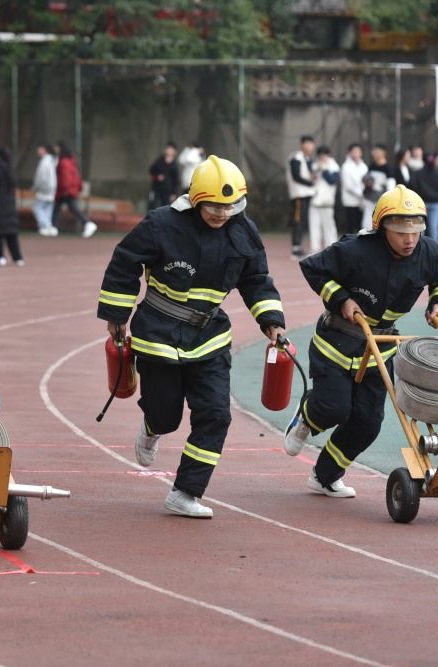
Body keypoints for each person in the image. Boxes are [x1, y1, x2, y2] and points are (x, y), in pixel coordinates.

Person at [97, 156, 286, 518]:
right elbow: (124, 261)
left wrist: (272, 320)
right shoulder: (162, 224)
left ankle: (186, 492)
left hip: (210, 337)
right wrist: (116, 315)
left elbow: (256, 280)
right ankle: (152, 426)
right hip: (159, 333)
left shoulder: (244, 231)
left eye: (229, 206)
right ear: (196, 199)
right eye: (214, 205)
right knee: (166, 415)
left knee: (216, 414)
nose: (221, 213)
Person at [283, 185, 438, 498]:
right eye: (400, 230)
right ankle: (305, 416)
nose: (409, 239)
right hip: (336, 341)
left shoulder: (428, 251)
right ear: (382, 228)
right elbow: (313, 269)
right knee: (334, 408)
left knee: (368, 422)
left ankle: (325, 476)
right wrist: (341, 300)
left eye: (415, 230)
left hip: (380, 344)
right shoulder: (356, 249)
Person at [52, 141, 97, 238]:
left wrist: (65, 189)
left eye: (56, 147)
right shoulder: (68, 160)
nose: (55, 149)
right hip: (65, 190)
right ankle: (53, 228)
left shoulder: (64, 162)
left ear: (60, 148)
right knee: (57, 208)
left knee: (72, 208)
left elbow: (66, 177)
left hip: (66, 191)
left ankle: (88, 223)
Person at [286, 135, 316, 257]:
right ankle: (296, 248)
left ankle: (299, 246)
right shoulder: (296, 157)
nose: (310, 146)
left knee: (302, 221)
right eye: (307, 143)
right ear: (302, 144)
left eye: (311, 144)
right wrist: (311, 183)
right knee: (298, 221)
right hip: (298, 194)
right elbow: (296, 176)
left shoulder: (307, 159)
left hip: (306, 194)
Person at [412, 152, 438, 247]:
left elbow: (414, 187)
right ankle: (433, 248)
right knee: (433, 228)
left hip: (421, 203)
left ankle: (419, 247)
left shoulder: (418, 174)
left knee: (420, 228)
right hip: (434, 204)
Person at [309, 145, 340, 253]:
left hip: (327, 202)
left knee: (329, 227)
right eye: (320, 155)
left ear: (328, 155)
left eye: (324, 155)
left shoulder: (333, 165)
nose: (322, 157)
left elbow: (332, 181)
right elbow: (311, 181)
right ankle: (314, 249)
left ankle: (332, 248)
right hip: (314, 201)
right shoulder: (314, 165)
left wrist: (324, 169)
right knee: (314, 227)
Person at [340, 143, 368, 235]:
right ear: (350, 153)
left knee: (361, 226)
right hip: (350, 201)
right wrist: (361, 193)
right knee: (350, 227)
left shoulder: (364, 166)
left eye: (358, 152)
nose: (356, 154)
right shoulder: (346, 167)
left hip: (362, 201)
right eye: (354, 151)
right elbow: (348, 186)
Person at [362, 144, 393, 227]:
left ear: (383, 153)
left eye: (376, 152)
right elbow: (366, 180)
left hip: (381, 201)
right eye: (373, 152)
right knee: (366, 222)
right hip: (369, 199)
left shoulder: (388, 169)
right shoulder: (371, 166)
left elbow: (391, 186)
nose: (374, 154)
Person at [31, 144, 58, 236]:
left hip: (44, 189)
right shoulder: (51, 161)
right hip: (51, 189)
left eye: (40, 149)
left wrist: (35, 188)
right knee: (47, 209)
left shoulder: (44, 162)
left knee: (37, 208)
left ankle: (46, 226)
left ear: (44, 150)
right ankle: (48, 226)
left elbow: (40, 178)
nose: (38, 152)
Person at [148, 142, 180, 210]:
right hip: (157, 188)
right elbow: (151, 170)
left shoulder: (174, 165)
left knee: (165, 207)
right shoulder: (160, 160)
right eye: (168, 149)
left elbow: (176, 180)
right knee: (155, 205)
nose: (169, 151)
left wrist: (174, 193)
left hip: (168, 190)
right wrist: (157, 177)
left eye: (171, 149)